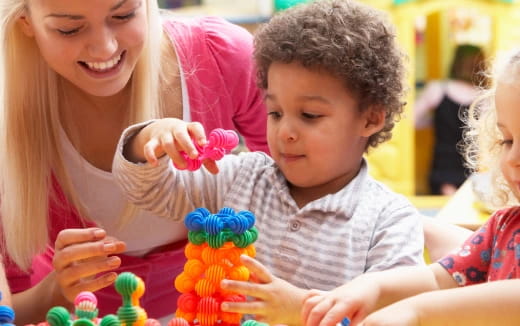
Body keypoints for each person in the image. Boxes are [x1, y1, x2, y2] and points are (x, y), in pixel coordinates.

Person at [112, 1, 424, 325]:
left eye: (310, 116)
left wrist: (302, 309)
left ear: (370, 118)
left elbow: (401, 316)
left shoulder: (389, 221)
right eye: (275, 113)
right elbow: (148, 191)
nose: (285, 131)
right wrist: (150, 138)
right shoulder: (241, 177)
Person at [0, 0, 268, 323]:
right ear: (26, 22)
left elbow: (314, 186)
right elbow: (11, 310)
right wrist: (54, 290)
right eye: (69, 28)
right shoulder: (9, 113)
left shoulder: (221, 57)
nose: (104, 48)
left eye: (124, 14)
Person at [301, 48, 520, 326]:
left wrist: (417, 311)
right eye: (507, 140)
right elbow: (438, 279)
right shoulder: (504, 227)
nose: (512, 159)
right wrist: (371, 287)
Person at [415, 44, 486, 195]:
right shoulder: (484, 97)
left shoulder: (438, 89)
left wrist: (436, 121)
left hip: (442, 166)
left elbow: (412, 119)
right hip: (473, 167)